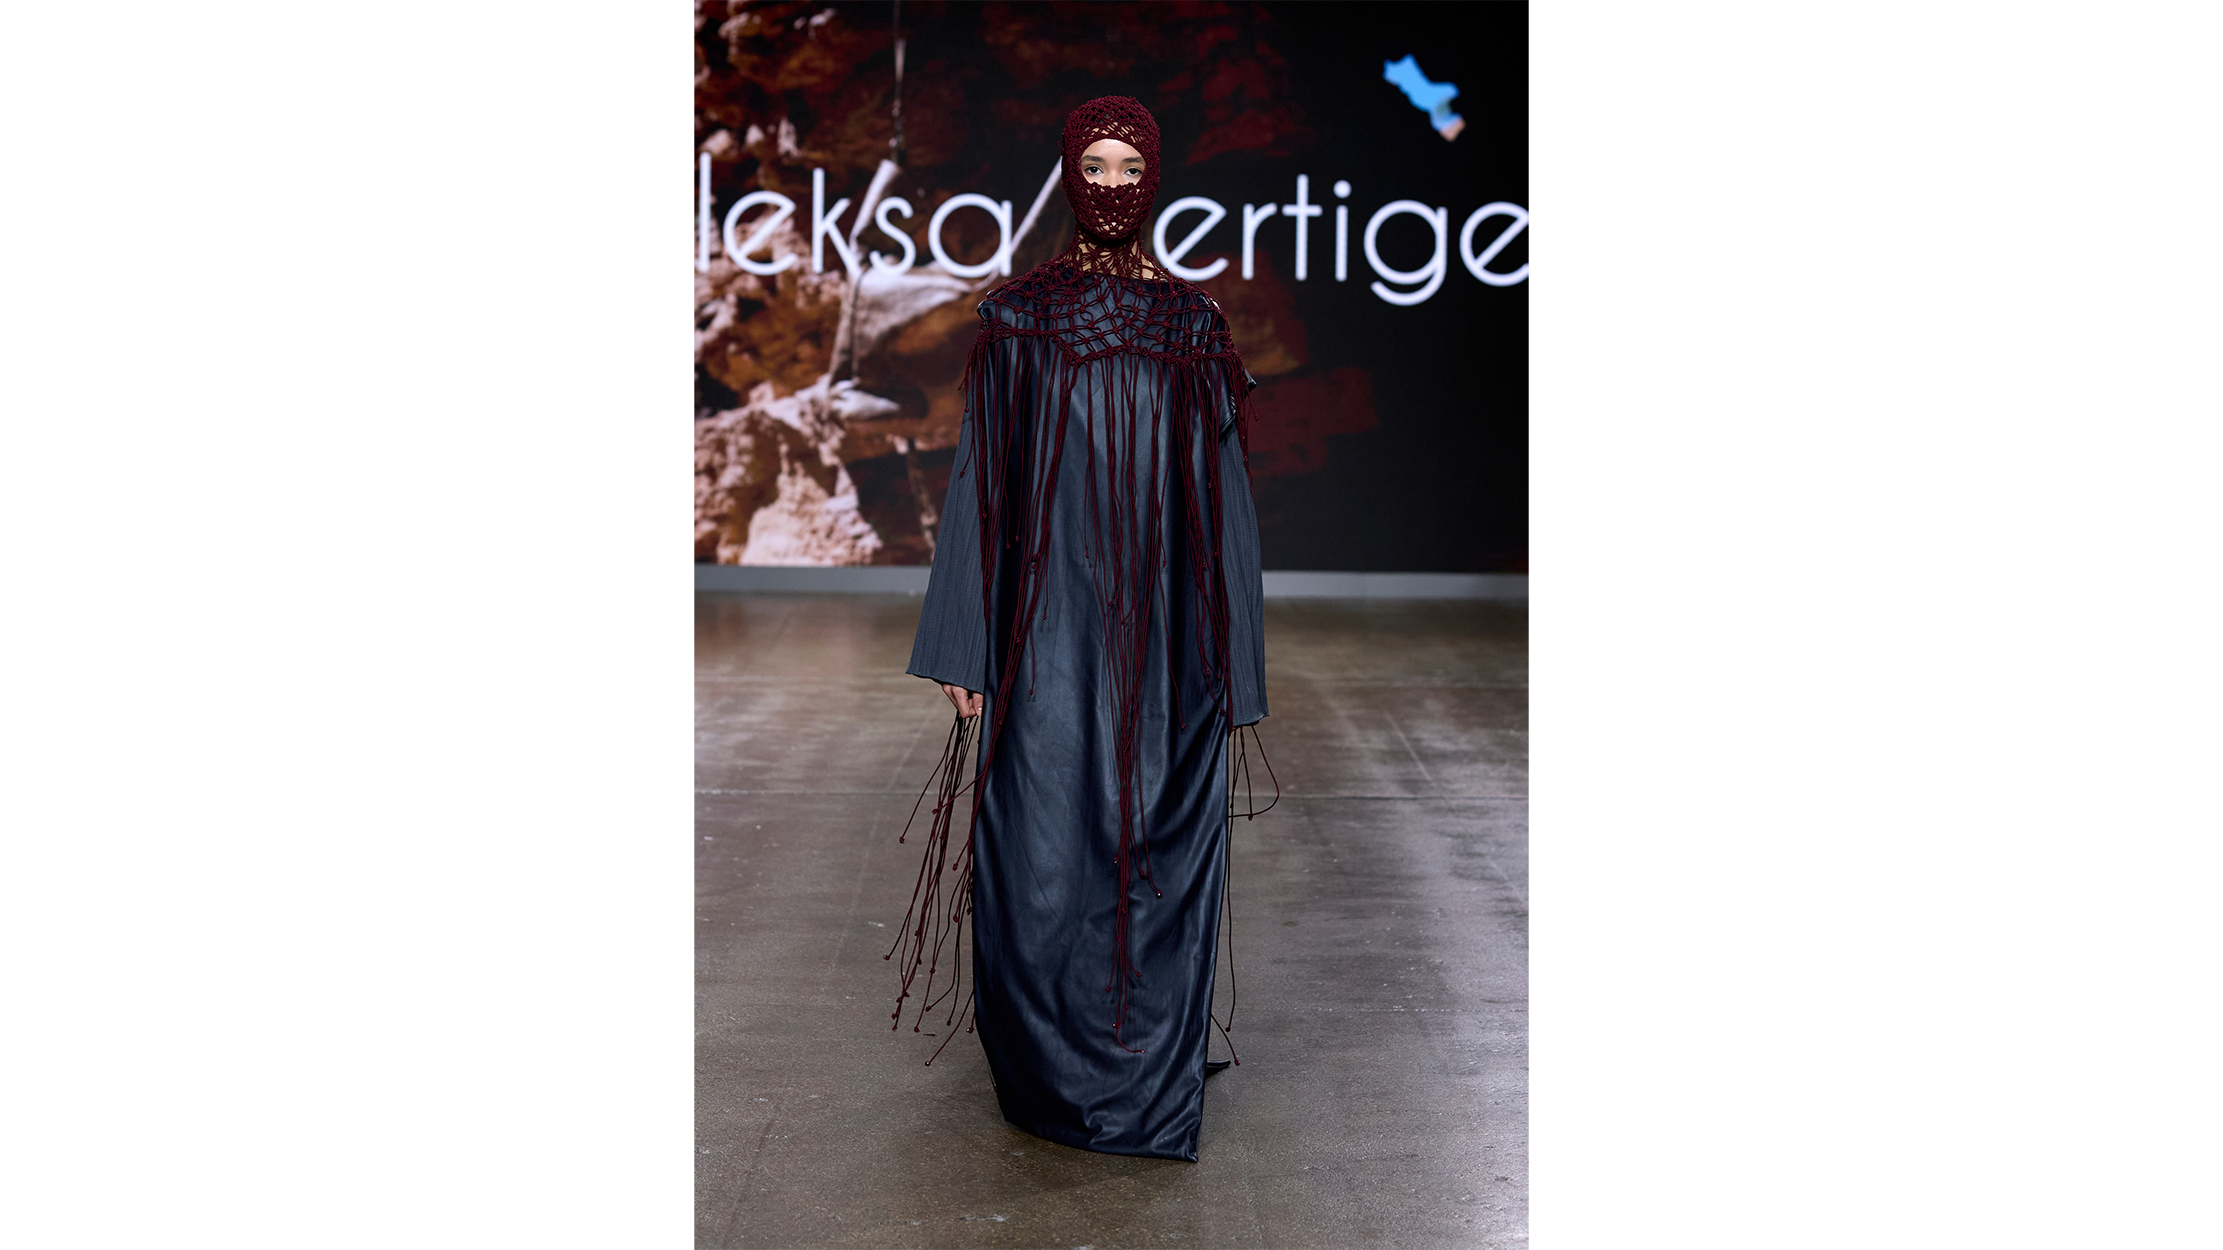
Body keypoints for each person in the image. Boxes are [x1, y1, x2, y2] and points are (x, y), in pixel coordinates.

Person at [888, 96, 1267, 1162]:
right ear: (1068, 174)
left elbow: (1224, 499)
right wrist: (964, 641)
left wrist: (1235, 665)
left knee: (1155, 838)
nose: (1110, 185)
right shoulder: (1018, 318)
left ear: (1154, 177)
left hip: (1166, 626)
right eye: (1093, 165)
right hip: (1044, 619)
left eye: (1127, 165)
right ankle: (1053, 1067)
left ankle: (1142, 1063)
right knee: (1040, 838)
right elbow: (982, 480)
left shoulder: (1192, 325)